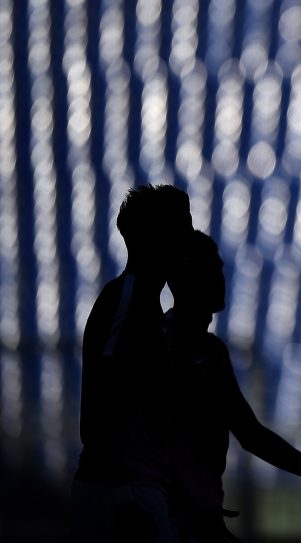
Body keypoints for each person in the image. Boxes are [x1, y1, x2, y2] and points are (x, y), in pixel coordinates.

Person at [166, 231, 301, 542]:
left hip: (198, 510)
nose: (220, 279)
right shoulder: (165, 347)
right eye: (210, 270)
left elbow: (251, 434)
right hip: (173, 516)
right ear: (186, 278)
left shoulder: (212, 351)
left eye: (219, 269)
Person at [73, 184, 194, 543]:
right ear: (150, 236)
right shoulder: (124, 300)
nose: (189, 239)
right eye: (180, 227)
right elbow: (101, 400)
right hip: (120, 493)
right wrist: (122, 493)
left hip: (142, 488)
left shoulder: (149, 306)